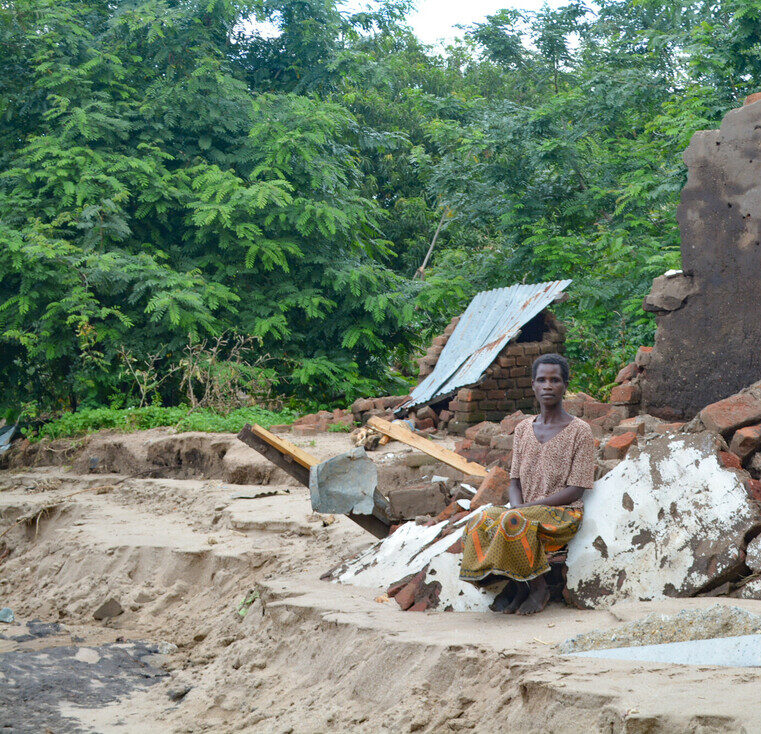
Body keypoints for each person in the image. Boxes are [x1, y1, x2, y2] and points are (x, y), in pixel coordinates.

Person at [459, 353, 595, 615]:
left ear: (565, 385)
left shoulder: (580, 431)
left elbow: (576, 489)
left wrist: (523, 509)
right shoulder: (523, 429)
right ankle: (516, 584)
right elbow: (515, 481)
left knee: (514, 522)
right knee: (482, 518)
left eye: (555, 380)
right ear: (532, 384)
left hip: (563, 512)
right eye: (541, 380)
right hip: (526, 510)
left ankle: (538, 588)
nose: (547, 386)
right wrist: (518, 506)